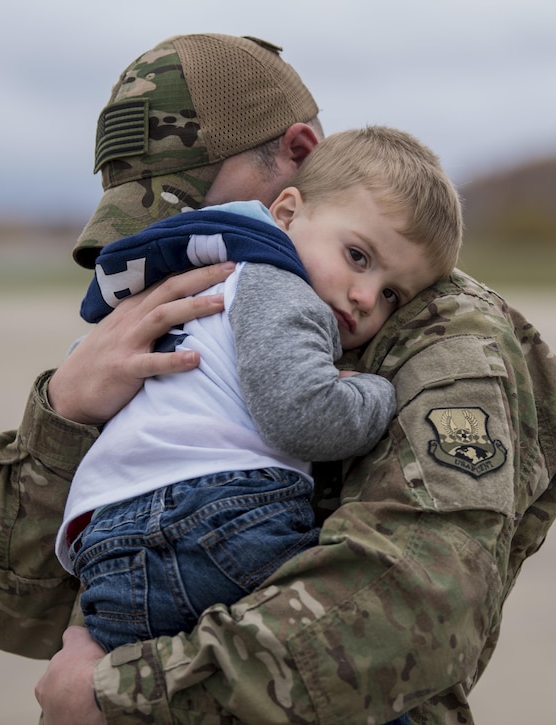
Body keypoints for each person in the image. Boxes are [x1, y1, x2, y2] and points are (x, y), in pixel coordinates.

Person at [0, 32, 556, 724]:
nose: (180, 239)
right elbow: (17, 613)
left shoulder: (446, 337)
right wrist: (64, 412)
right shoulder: (197, 297)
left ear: (298, 160)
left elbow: (412, 610)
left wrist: (121, 697)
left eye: (192, 206)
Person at [59, 125, 462, 660]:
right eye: (358, 257)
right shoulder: (280, 284)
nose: (366, 297)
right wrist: (378, 392)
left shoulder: (201, 272)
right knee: (348, 651)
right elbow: (302, 417)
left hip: (102, 547)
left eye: (393, 294)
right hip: (217, 517)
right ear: (287, 213)